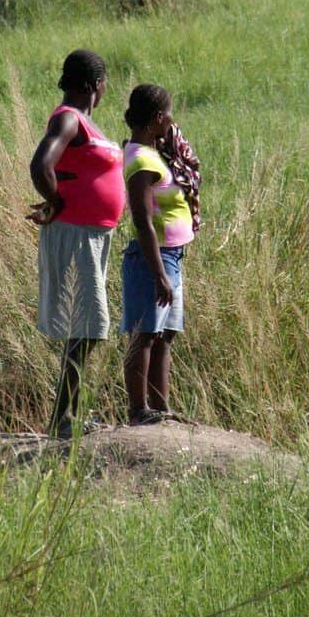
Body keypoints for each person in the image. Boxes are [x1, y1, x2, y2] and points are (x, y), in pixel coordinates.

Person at [27, 50, 125, 438]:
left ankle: (66, 417)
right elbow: (41, 165)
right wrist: (56, 200)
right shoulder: (69, 118)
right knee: (89, 326)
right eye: (103, 84)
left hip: (94, 234)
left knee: (84, 326)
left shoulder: (85, 121)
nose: (104, 90)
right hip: (77, 234)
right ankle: (62, 420)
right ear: (93, 85)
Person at [119, 84, 201, 426]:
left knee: (165, 335)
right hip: (152, 259)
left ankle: (160, 409)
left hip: (171, 257)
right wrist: (158, 274)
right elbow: (142, 221)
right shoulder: (140, 160)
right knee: (146, 334)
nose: (172, 121)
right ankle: (139, 410)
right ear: (156, 118)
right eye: (168, 115)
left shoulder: (152, 152)